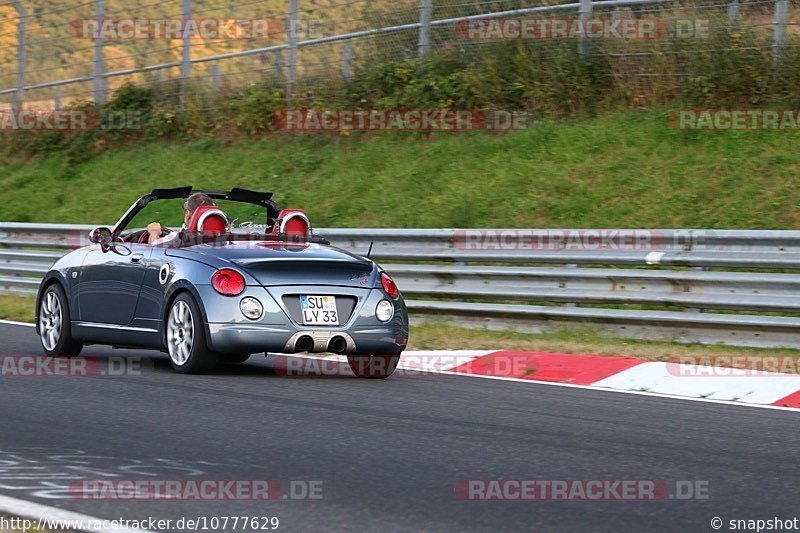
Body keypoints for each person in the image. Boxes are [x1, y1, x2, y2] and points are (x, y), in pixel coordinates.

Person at [148, 193, 217, 245]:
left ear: (188, 214)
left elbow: (154, 245)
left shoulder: (179, 238)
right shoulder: (225, 237)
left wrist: (154, 232)